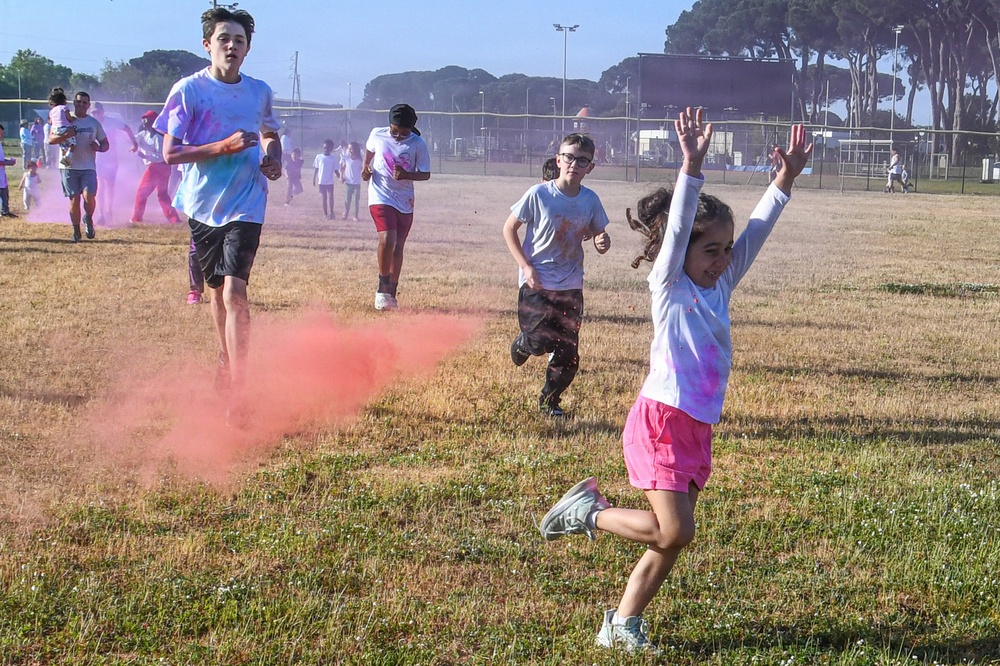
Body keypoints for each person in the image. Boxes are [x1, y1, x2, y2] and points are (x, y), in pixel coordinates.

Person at [537, 109, 812, 653]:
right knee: (675, 531)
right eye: (711, 250)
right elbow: (683, 223)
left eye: (725, 250)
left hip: (696, 426)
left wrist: (785, 180)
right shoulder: (669, 284)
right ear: (680, 251)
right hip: (661, 419)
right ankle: (587, 513)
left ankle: (621, 624)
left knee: (669, 541)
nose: (723, 259)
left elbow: (756, 232)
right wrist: (691, 165)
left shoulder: (720, 284)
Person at [154, 7, 281, 415]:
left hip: (247, 202)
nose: (231, 45)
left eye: (239, 40)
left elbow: (269, 132)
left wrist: (273, 157)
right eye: (223, 38)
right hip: (203, 205)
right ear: (207, 44)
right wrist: (221, 147)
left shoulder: (259, 91)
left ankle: (241, 393)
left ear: (248, 48)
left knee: (235, 292)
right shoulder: (189, 90)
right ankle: (226, 360)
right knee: (215, 294)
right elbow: (170, 153)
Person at [503, 133, 611, 417]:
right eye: (570, 157)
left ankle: (550, 402)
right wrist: (526, 266)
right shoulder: (538, 194)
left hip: (570, 282)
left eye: (582, 160)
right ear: (558, 160)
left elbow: (598, 232)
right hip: (537, 280)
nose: (574, 164)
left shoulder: (590, 200)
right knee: (540, 340)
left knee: (567, 350)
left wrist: (602, 240)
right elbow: (509, 229)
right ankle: (525, 343)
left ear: (590, 167)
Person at [361, 103, 431, 310]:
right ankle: (382, 287)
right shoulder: (377, 134)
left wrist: (407, 175)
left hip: (404, 199)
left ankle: (392, 291)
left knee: (398, 245)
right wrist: (365, 168)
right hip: (380, 194)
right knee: (387, 238)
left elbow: (425, 173)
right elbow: (369, 152)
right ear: (389, 124)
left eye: (403, 132)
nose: (398, 136)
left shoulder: (418, 144)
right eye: (395, 131)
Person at [49, 91, 109, 242]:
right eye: (78, 102)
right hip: (68, 167)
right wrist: (65, 135)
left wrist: (99, 148)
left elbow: (105, 144)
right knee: (74, 200)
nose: (81, 105)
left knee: (89, 197)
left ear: (88, 106)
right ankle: (76, 231)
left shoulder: (94, 123)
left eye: (84, 102)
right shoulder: (65, 119)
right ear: (74, 103)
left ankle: (88, 218)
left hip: (88, 167)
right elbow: (51, 139)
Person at [92, 101, 139, 225]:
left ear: (102, 112)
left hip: (112, 159)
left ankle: (109, 210)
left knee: (110, 186)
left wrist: (134, 143)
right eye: (94, 112)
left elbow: (127, 128)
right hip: (98, 159)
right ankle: (101, 213)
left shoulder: (111, 121)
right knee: (100, 186)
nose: (96, 115)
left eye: (98, 112)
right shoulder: (91, 123)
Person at [131, 110, 180, 225]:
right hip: (160, 167)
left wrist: (144, 155)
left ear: (153, 122)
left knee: (141, 193)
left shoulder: (159, 137)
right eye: (143, 119)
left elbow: (160, 156)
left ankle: (136, 218)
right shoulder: (144, 134)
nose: (143, 122)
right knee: (162, 194)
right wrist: (133, 144)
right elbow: (135, 139)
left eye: (146, 119)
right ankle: (174, 219)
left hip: (158, 167)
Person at [48, 87, 76, 168]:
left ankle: (64, 157)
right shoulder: (64, 108)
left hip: (56, 130)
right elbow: (69, 118)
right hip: (64, 128)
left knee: (63, 144)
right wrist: (73, 119)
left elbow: (50, 122)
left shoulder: (52, 111)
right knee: (73, 144)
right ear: (64, 100)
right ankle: (68, 157)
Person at [313, 140, 340, 219]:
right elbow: (316, 168)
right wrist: (314, 178)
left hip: (330, 181)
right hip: (321, 181)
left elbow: (336, 171)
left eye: (328, 148)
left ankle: (331, 212)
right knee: (324, 198)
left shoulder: (333, 159)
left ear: (331, 149)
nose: (326, 149)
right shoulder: (319, 157)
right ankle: (325, 214)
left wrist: (340, 178)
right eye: (324, 148)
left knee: (331, 197)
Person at [341, 141, 362, 220]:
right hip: (348, 183)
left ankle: (355, 216)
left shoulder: (360, 160)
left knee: (356, 200)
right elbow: (342, 168)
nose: (350, 150)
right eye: (349, 149)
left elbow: (362, 169)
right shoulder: (346, 158)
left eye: (351, 149)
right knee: (347, 200)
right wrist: (341, 177)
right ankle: (345, 214)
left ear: (356, 149)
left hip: (357, 183)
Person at [0, 124, 17, 218]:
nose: (1, 135)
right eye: (0, 133)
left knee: (4, 193)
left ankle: (5, 211)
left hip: (2, 173)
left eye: (2, 133)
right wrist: (8, 163)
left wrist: (8, 161)